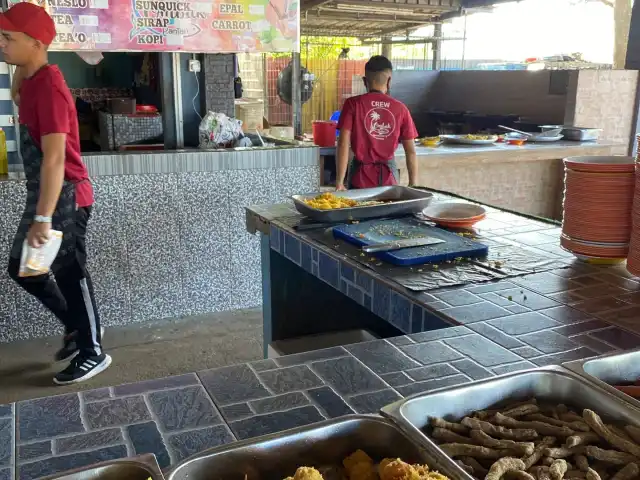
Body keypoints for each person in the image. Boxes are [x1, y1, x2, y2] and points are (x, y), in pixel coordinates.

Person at [0, 2, 110, 384]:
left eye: (8, 38)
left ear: (34, 43)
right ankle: (76, 327)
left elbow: (54, 160)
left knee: (69, 271)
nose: (2, 44)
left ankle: (93, 350)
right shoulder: (29, 81)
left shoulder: (49, 88)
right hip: (45, 193)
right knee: (24, 269)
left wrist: (43, 218)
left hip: (65, 195)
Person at [336, 55, 418, 190]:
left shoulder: (352, 104)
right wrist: (413, 184)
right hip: (389, 177)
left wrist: (339, 182)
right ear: (389, 81)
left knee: (358, 209)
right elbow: (411, 152)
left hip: (359, 176)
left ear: (364, 81)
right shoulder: (401, 108)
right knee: (388, 210)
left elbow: (343, 143)